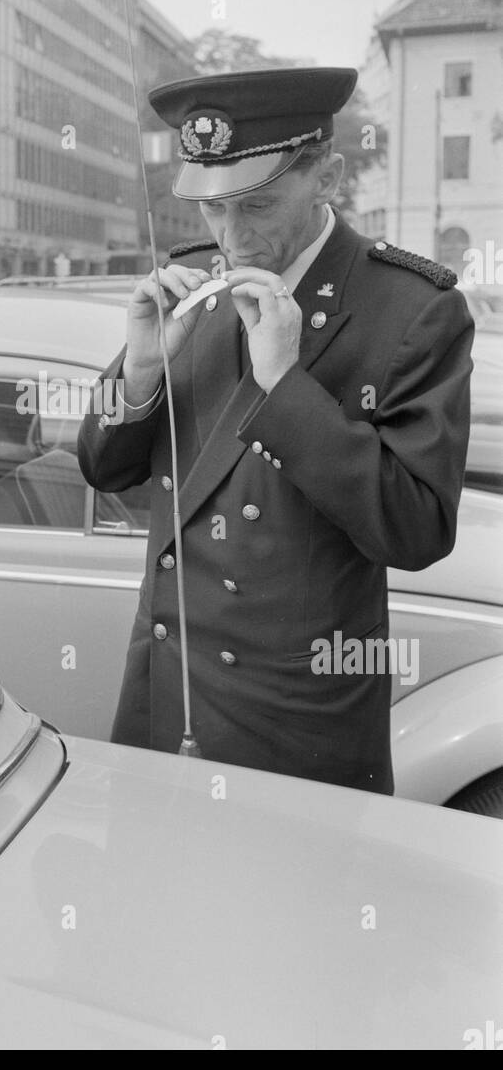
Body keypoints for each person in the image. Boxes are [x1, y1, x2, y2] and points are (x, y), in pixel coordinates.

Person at [77, 68, 474, 795]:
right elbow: (104, 468)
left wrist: (286, 387)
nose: (232, 234)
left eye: (257, 203)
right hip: (167, 696)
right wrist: (137, 375)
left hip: (297, 720)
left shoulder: (410, 309)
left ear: (328, 175)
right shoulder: (192, 286)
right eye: (212, 209)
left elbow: (416, 531)